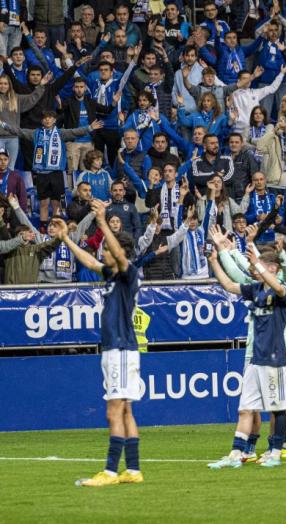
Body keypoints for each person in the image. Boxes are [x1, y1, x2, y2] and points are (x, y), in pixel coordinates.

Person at [50, 200, 143, 486]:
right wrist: (66, 238)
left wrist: (102, 221)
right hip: (117, 350)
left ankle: (111, 471)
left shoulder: (128, 274)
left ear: (121, 253)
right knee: (125, 410)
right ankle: (134, 470)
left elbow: (117, 253)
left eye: (107, 247)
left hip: (121, 350)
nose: (102, 251)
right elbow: (89, 261)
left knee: (113, 410)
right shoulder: (111, 275)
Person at [206, 233, 286, 469]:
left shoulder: (282, 290)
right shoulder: (255, 289)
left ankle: (275, 451)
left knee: (277, 408)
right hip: (256, 359)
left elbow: (277, 287)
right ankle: (235, 454)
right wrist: (214, 260)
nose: (256, 269)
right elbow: (229, 285)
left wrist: (255, 261)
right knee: (246, 408)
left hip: (275, 359)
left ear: (273, 268)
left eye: (261, 265)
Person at [0, 110, 103, 229]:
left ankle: (56, 225)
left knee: (56, 203)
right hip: (42, 174)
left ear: (54, 120)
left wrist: (89, 128)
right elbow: (19, 131)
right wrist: (3, 125)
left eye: (50, 118)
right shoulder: (35, 133)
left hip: (56, 173)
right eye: (45, 118)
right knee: (44, 203)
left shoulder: (61, 133)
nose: (48, 120)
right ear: (42, 120)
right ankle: (43, 227)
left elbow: (75, 132)